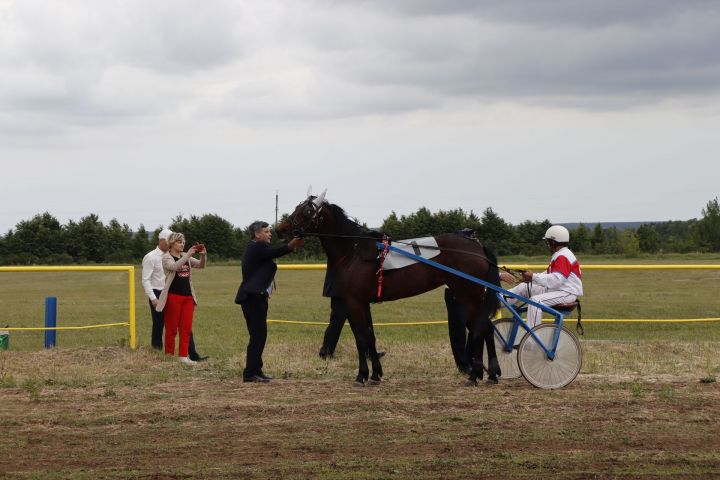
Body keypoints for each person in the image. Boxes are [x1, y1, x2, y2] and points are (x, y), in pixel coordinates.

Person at [235, 221, 304, 383]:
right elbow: (276, 251)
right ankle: (250, 373)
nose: (269, 233)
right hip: (253, 298)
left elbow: (273, 252)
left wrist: (291, 245)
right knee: (258, 336)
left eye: (269, 231)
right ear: (257, 234)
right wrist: (290, 245)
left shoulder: (258, 248)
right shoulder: (256, 247)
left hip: (256, 297)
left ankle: (256, 370)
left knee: (258, 336)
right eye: (266, 231)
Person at [141, 229, 207, 362]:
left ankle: (184, 356)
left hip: (187, 296)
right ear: (170, 243)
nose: (182, 244)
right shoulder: (164, 257)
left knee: (186, 328)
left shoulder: (184, 256)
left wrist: (203, 255)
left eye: (183, 242)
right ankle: (167, 355)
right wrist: (153, 297)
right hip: (170, 295)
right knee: (168, 328)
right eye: (179, 242)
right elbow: (174, 267)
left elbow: (200, 265)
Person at [505, 225, 583, 328]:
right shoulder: (560, 254)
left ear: (553, 242)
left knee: (535, 301)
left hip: (566, 293)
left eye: (548, 242)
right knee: (523, 287)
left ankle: (532, 338)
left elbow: (555, 280)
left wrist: (533, 277)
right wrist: (530, 277)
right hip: (558, 291)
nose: (547, 244)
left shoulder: (563, 256)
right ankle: (495, 304)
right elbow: (548, 274)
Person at [318, 259, 383, 360]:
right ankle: (326, 352)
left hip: (352, 287)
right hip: (341, 287)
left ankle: (368, 351)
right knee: (338, 320)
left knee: (363, 319)